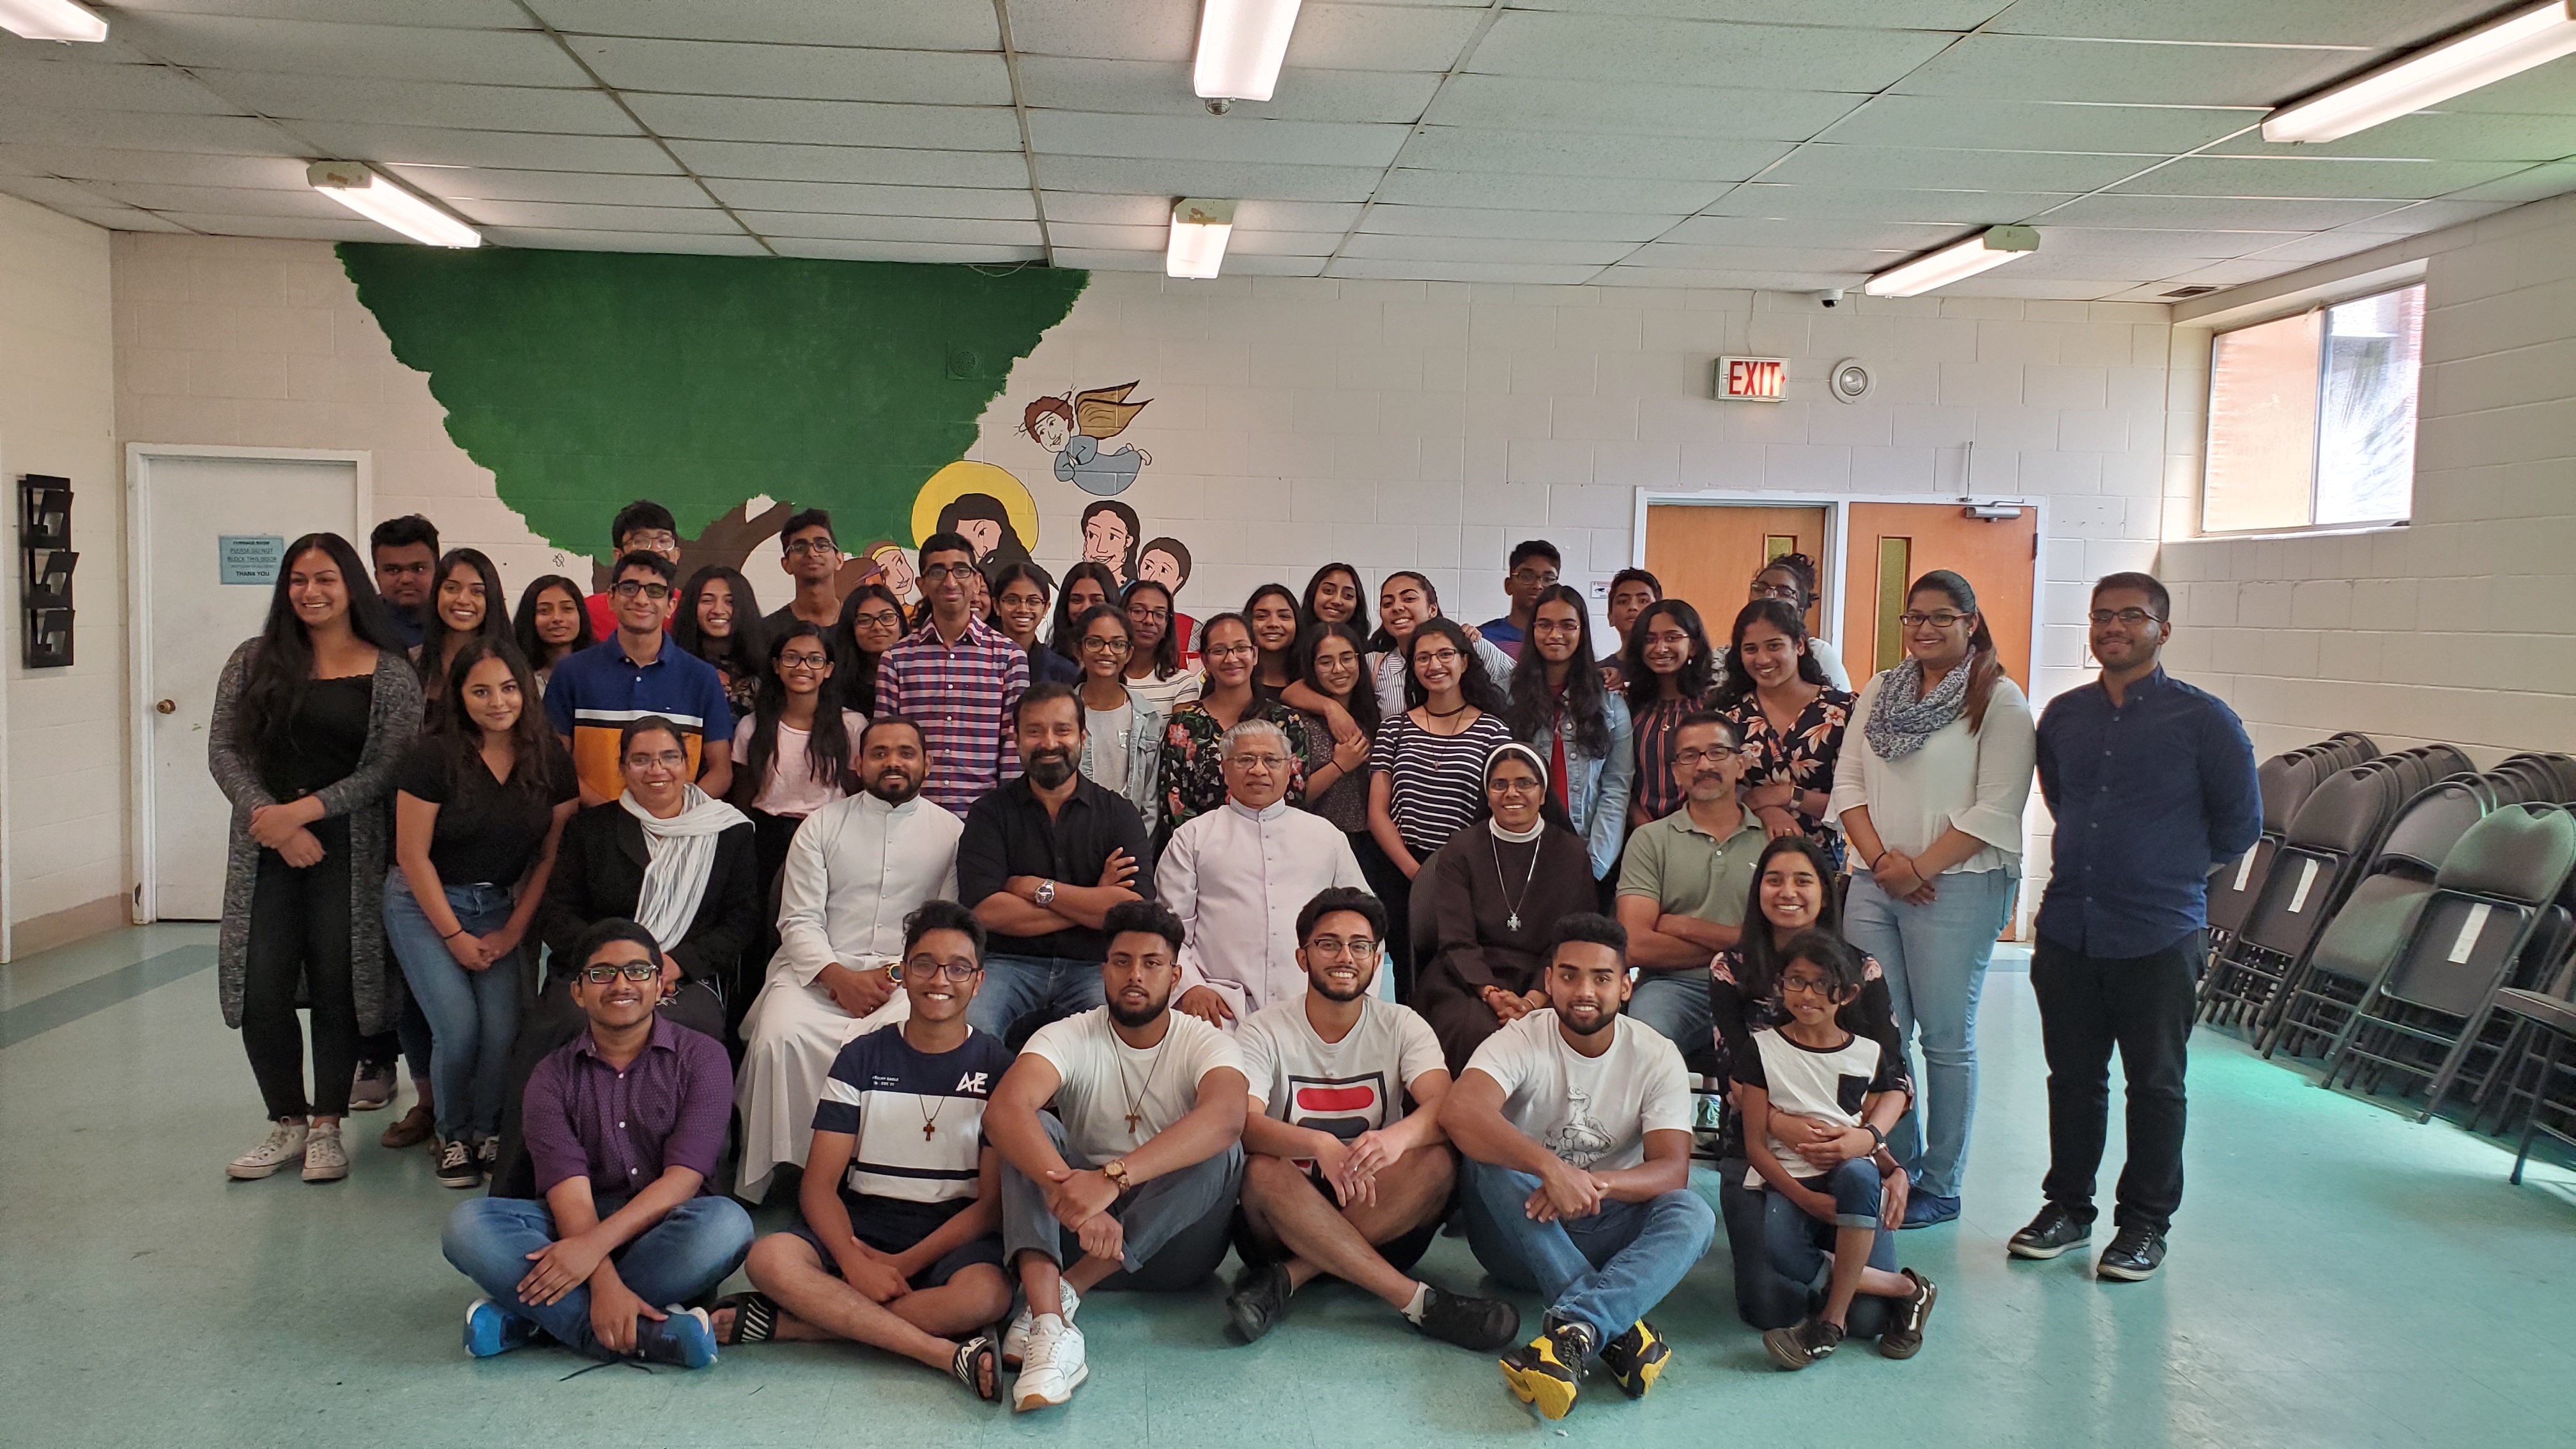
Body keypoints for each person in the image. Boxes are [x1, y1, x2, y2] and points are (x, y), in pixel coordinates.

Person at [2012, 572, 2259, 1282]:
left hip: (2159, 933)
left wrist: (2165, 870)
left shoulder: (2206, 721)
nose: (2113, 628)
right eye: (2101, 616)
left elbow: (2240, 827)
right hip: (2070, 928)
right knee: (2073, 1079)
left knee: (2156, 1085)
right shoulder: (2064, 717)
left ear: (2163, 630)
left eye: (2131, 616)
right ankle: (2067, 1209)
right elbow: (2062, 799)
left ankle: (2145, 1225)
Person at [718, 900, 1013, 1400]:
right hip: (861, 1226)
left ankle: (803, 1325)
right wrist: (856, 1267)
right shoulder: (861, 1056)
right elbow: (818, 1187)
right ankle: (937, 1351)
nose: (940, 979)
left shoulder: (998, 1066)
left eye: (958, 968)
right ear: (904, 973)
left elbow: (989, 1207)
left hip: (950, 1235)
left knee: (986, 1297)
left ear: (978, 982)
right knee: (769, 1258)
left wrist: (903, 1264)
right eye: (924, 964)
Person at [441, 919, 753, 1369]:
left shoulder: (703, 1058)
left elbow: (685, 1178)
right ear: (578, 992)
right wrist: (601, 1276)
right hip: (576, 1222)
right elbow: (567, 1191)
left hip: (667, 1226)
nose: (621, 984)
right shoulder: (550, 1076)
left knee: (727, 1226)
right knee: (468, 1226)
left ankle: (535, 1320)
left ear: (660, 986)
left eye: (637, 971)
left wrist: (591, 1252)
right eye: (602, 973)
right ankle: (642, 1333)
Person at [211, 533, 424, 1183]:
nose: (311, 592)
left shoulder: (389, 671)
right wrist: (272, 821)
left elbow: (390, 765)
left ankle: (328, 1125)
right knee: (260, 987)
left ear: (350, 586)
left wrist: (305, 812)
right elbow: (225, 751)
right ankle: (287, 1121)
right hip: (267, 848)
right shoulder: (252, 661)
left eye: (325, 579)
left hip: (348, 851)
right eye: (299, 580)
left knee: (340, 986)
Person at [1441, 914, 1712, 1421]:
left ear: (1626, 987)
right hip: (1517, 1232)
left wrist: (1590, 1183)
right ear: (1549, 981)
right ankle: (1618, 1326)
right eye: (1569, 975)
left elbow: (1671, 1170)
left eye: (1602, 978)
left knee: (1693, 1213)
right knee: (1486, 1161)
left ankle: (1579, 1330)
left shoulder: (1656, 1056)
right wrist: (1549, 1168)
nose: (1584, 991)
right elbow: (1460, 1111)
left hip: (1603, 1226)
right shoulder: (1522, 1037)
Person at [1225, 887, 1521, 1350]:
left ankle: (1288, 1279)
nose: (1345, 957)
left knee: (1438, 1161)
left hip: (1381, 1211)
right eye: (1329, 944)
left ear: (1377, 958)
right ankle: (1416, 1300)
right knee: (1260, 1171)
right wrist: (1318, 1144)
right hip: (1283, 1221)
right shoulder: (1263, 1029)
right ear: (1302, 957)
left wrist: (1398, 1138)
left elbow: (1446, 1108)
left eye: (1360, 946)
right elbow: (1243, 1125)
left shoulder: (1403, 1024)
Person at [1829, 569, 2035, 1229]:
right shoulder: (1880, 691)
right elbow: (1848, 783)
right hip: (1874, 882)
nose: (1924, 628)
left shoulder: (1998, 699)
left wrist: (1918, 868)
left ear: (1970, 623)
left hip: (1960, 885)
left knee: (1945, 1037)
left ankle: (1942, 1184)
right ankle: (1900, 1165)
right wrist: (1883, 864)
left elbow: (1997, 807)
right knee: (1879, 1031)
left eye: (1942, 617)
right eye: (1914, 616)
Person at [983, 901, 1249, 1411]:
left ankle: (1067, 1291)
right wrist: (1075, 1196)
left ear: (1175, 976)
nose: (1135, 976)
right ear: (1103, 969)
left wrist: (1111, 1180)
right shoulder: (1069, 1033)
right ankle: (1048, 1322)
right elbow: (1003, 1111)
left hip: (1175, 1249)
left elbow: (1227, 1118)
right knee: (1030, 1130)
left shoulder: (1204, 1042)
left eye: (1152, 963)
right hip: (1078, 1232)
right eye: (1122, 961)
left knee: (1224, 1150)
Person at [487, 716, 759, 1196]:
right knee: (561, 1022)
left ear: (688, 763)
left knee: (694, 1032)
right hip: (595, 972)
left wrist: (676, 963)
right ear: (622, 768)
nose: (657, 770)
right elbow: (558, 912)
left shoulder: (728, 833)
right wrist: (613, 966)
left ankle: (691, 1187)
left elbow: (741, 920)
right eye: (641, 759)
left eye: (669, 757)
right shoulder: (590, 829)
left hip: (683, 976)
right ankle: (529, 1183)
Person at [735, 716, 963, 1202]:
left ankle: (878, 1178)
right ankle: (783, 1173)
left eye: (906, 753)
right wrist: (839, 978)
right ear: (859, 763)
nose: (893, 762)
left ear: (927, 763)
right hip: (816, 970)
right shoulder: (821, 824)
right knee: (779, 1035)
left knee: (904, 1039)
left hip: (906, 981)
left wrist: (897, 975)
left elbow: (943, 931)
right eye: (880, 753)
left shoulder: (952, 834)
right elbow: (798, 919)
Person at [388, 639, 577, 1188]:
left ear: (527, 692)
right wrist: (452, 934)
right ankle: (452, 1135)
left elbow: (551, 855)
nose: (498, 702)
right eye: (481, 691)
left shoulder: (550, 759)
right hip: (423, 903)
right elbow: (411, 855)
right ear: (460, 697)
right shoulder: (432, 757)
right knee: (458, 1028)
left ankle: (489, 1131)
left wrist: (515, 929)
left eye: (509, 688)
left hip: (499, 905)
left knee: (502, 1030)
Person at [1710, 836, 1912, 1333]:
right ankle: (1833, 1269)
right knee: (1772, 1309)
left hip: (1848, 1156)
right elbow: (1733, 1074)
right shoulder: (1731, 969)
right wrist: (1784, 1126)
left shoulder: (1863, 970)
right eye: (1774, 880)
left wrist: (1869, 1141)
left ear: (1825, 892)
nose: (1788, 892)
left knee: (1868, 1319)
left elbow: (1896, 1079)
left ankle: (1864, 1285)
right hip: (1760, 1153)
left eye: (1803, 880)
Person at [1739, 932, 1936, 1370]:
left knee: (1859, 1174)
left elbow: (1865, 1130)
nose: (1807, 995)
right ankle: (1909, 1289)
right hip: (1790, 1179)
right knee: (1782, 1251)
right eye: (1796, 981)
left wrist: (1894, 1169)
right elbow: (1755, 1146)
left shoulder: (1867, 1053)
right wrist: (1806, 1199)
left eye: (1822, 984)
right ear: (1781, 984)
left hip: (1851, 1180)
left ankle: (1831, 1322)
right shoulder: (1762, 1048)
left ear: (1847, 994)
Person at [959, 684, 1156, 1040]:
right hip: (1007, 965)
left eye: (1062, 730)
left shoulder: (1118, 814)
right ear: (1016, 739)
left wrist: (1036, 888)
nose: (1049, 743)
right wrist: (1094, 900)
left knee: (1114, 1039)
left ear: (1082, 737)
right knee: (971, 1033)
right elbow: (985, 911)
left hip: (1093, 967)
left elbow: (1132, 911)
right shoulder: (989, 814)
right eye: (1035, 731)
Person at [1161, 719, 1368, 1026]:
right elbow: (1168, 928)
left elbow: (1365, 922)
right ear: (1225, 769)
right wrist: (1190, 988)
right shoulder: (1193, 837)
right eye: (1245, 760)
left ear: (1290, 768)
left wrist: (1351, 996)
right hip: (1218, 1010)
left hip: (1313, 1007)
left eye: (1271, 760)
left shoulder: (1327, 837)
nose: (1258, 770)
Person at [1410, 745, 1600, 1073]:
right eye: (1500, 784)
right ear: (1487, 794)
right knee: (1473, 1029)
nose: (1512, 793)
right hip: (1468, 976)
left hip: (1547, 977)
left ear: (1543, 793)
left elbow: (1572, 940)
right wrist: (1491, 993)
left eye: (1524, 783)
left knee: (1556, 1034)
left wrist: (1533, 1000)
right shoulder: (1461, 849)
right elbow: (1456, 937)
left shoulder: (1570, 854)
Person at [1367, 618, 1514, 1000]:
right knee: (1408, 974)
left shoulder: (1494, 731)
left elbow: (1500, 813)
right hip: (1402, 868)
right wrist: (1418, 875)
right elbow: (1378, 812)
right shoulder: (1394, 728)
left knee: (1461, 974)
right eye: (1423, 657)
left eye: (1445, 654)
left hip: (1468, 871)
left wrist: (1445, 878)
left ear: (1464, 661)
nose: (1435, 665)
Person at [1616, 712, 1767, 1054]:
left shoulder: (1773, 839)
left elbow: (1788, 943)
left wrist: (1682, 926)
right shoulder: (1650, 840)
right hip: (1674, 989)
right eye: (1690, 756)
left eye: (1717, 752)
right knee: (1643, 1042)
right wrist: (1744, 947)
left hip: (1759, 986)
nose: (1704, 765)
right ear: (1675, 771)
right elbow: (1636, 945)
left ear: (1740, 764)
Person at [546, 550, 736, 807]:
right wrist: (611, 816)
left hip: (679, 825)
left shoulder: (702, 677)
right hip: (591, 822)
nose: (641, 599)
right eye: (629, 588)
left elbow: (721, 772)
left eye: (655, 591)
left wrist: (677, 815)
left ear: (671, 606)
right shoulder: (571, 672)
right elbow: (555, 764)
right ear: (611, 598)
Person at [876, 532, 1029, 818]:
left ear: (977, 581)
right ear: (922, 585)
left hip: (984, 819)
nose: (950, 582)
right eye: (937, 572)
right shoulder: (896, 659)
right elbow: (884, 745)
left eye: (961, 571)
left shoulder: (1009, 657)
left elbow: (1013, 750)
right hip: (911, 817)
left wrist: (1009, 819)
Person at [1503, 584, 1634, 889]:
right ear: (1532, 630)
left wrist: (1594, 864)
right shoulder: (1507, 695)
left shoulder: (1609, 703)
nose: (1555, 634)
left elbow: (1616, 788)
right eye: (1544, 625)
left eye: (1567, 625)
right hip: (1519, 851)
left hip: (1586, 852)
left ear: (1582, 631)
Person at [1715, 599, 1856, 871]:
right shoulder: (1729, 718)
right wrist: (1767, 810)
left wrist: (1788, 795)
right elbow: (1722, 794)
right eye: (1751, 649)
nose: (1763, 659)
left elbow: (1859, 802)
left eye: (1774, 646)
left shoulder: (1844, 711)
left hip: (1822, 864)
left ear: (1799, 645)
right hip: (1745, 858)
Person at [729, 623, 864, 903]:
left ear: (828, 669)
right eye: (792, 657)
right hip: (768, 838)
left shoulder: (851, 726)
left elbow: (856, 791)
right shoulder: (752, 727)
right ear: (777, 666)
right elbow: (742, 796)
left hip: (829, 836)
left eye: (815, 659)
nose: (803, 667)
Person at [1158, 613, 1314, 837]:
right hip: (1202, 848)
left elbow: (1295, 798)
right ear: (1205, 661)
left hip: (1274, 845)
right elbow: (1174, 804)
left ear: (1255, 654)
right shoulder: (1183, 726)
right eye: (1219, 651)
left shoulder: (1287, 723)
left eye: (1241, 648)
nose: (1231, 659)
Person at [1068, 604, 1165, 833]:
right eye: (1095, 642)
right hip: (1073, 838)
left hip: (1129, 841)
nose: (1106, 652)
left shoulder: (1147, 717)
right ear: (1078, 650)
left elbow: (1150, 801)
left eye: (1118, 644)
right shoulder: (1062, 714)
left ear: (1129, 653)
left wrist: (1135, 846)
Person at [1621, 599, 1717, 830]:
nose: (1660, 648)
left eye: (1672, 638)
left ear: (1693, 646)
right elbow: (1616, 776)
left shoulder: (1714, 706)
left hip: (1700, 831)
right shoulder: (1628, 705)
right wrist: (1640, 821)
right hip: (1637, 832)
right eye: (1649, 640)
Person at [1365, 571, 1510, 719]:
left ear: (1432, 609)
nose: (1397, 608)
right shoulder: (1374, 665)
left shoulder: (1471, 645)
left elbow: (1519, 681)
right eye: (1387, 604)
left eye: (1409, 599)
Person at [412, 548, 511, 722]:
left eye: (477, 591)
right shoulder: (413, 662)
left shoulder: (512, 665)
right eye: (452, 588)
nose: (463, 600)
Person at [1741, 553, 1852, 691]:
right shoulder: (1722, 657)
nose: (1769, 596)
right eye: (1760, 588)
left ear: (1800, 611)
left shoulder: (1819, 652)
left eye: (1785, 593)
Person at [583, 498, 683, 638]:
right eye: (641, 541)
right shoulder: (588, 612)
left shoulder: (693, 608)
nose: (655, 550)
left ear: (677, 554)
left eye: (663, 541)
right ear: (619, 555)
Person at [677, 564, 765, 719]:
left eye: (730, 602)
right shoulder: (674, 665)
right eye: (707, 600)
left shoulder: (766, 669)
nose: (718, 610)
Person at [989, 560, 1079, 686]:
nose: (1023, 609)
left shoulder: (1062, 671)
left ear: (1046, 608)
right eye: (1013, 600)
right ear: (997, 606)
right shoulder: (977, 660)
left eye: (1033, 601)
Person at [1119, 578, 1200, 714]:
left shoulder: (1181, 683)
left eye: (1159, 614)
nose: (1149, 621)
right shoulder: (1103, 675)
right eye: (1138, 611)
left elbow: (1180, 728)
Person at [831, 580, 907, 716]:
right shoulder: (835, 684)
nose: (877, 627)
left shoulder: (919, 677)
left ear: (901, 626)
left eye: (887, 617)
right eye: (865, 620)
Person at [1478, 539, 1561, 661]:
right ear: (1509, 585)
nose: (1538, 586)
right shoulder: (1483, 638)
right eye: (1526, 577)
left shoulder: (1562, 641)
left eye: (1548, 579)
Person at [513, 574, 595, 694]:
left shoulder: (602, 668)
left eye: (567, 609)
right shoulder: (514, 676)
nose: (557, 618)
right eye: (544, 611)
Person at [369, 514, 439, 650]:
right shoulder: (358, 627)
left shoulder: (460, 623)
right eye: (393, 570)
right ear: (377, 576)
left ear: (438, 571)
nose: (406, 579)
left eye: (418, 569)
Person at [767, 507, 844, 631]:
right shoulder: (768, 630)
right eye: (800, 547)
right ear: (786, 564)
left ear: (839, 560)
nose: (812, 553)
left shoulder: (861, 625)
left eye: (822, 545)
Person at [1043, 560, 1119, 680]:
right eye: (1077, 600)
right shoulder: (1048, 663)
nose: (1085, 608)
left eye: (1096, 601)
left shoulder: (1124, 661)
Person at [1136, 537, 1196, 663]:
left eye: (1164, 571)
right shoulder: (1120, 621)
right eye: (1148, 567)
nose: (1153, 577)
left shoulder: (1193, 629)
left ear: (1178, 581)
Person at [1598, 569, 1659, 693]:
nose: (1633, 607)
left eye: (1643, 601)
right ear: (1610, 617)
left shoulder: (1671, 669)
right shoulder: (1598, 674)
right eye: (1623, 602)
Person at [1243, 583, 1303, 699]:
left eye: (1284, 616)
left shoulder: (1313, 680)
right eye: (1261, 616)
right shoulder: (1233, 681)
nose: (1273, 624)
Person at [1300, 561, 1370, 640]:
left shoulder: (1366, 647)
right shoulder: (1293, 643)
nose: (1337, 601)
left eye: (1348, 595)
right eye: (1328, 591)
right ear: (1313, 593)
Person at [1080, 499, 1140, 587]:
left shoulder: (1135, 592)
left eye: (1112, 537)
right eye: (1092, 535)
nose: (1100, 549)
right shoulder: (1078, 588)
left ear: (1128, 541)